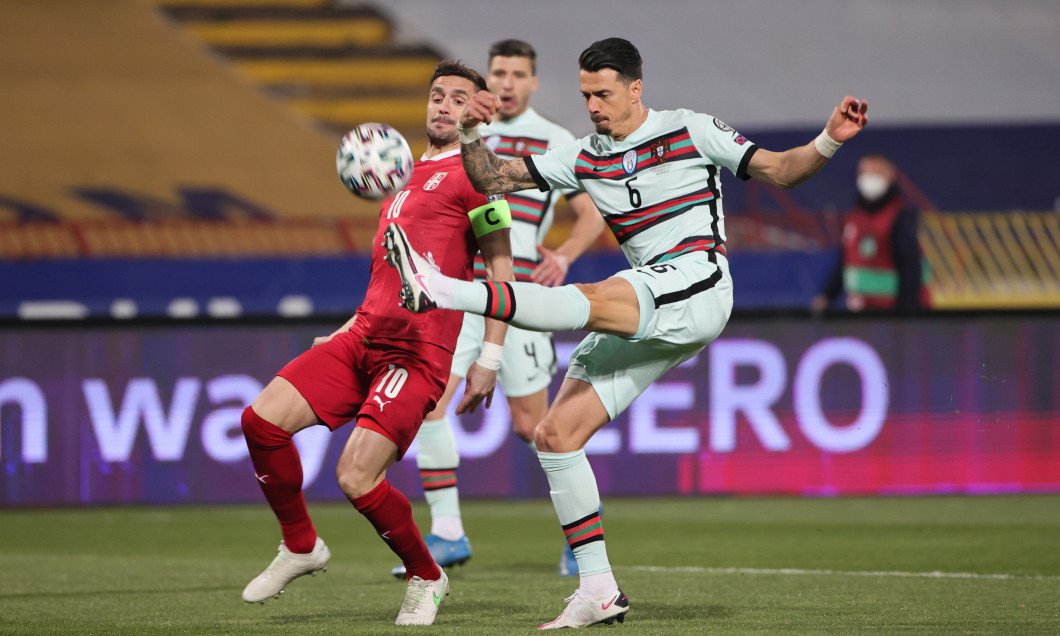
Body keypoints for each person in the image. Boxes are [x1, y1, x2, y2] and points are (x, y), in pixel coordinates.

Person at [385, 37, 868, 629]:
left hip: (698, 283)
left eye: (603, 94)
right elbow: (491, 177)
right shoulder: (585, 155)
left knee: (590, 300)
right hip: (646, 300)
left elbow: (780, 170)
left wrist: (828, 140)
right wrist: (468, 132)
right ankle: (598, 588)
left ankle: (443, 289)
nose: (593, 106)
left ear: (636, 89)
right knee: (555, 434)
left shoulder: (689, 130)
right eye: (586, 94)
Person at [239, 60, 514, 627]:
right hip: (363, 335)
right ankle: (300, 545)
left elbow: (504, 270)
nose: (443, 105)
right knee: (260, 421)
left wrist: (490, 356)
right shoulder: (399, 179)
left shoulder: (476, 176)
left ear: (476, 112)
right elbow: (388, 279)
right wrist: (344, 331)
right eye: (437, 95)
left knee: (355, 476)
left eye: (459, 99)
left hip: (418, 352)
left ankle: (427, 576)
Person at [390, 39, 604, 581]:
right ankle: (448, 533)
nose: (506, 83)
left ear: (533, 83)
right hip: (461, 289)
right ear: (485, 83)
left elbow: (591, 214)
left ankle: (580, 534)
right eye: (498, 73)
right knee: (431, 403)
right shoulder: (463, 133)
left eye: (518, 74)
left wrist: (567, 253)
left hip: (520, 292)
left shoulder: (556, 140)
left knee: (534, 424)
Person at [811, 153, 929, 313]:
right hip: (862, 314)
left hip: (891, 316)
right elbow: (844, 262)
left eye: (876, 172)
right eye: (864, 172)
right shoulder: (856, 217)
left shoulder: (900, 217)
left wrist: (905, 315)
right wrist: (827, 296)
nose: (869, 178)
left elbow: (911, 269)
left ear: (891, 176)